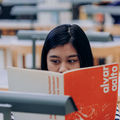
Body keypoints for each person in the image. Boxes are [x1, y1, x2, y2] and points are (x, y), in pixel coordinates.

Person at [41, 24, 120, 120]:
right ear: (45, 61)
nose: (62, 69)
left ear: (84, 61)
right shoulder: (35, 94)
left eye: (72, 61)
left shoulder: (101, 96)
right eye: (55, 61)